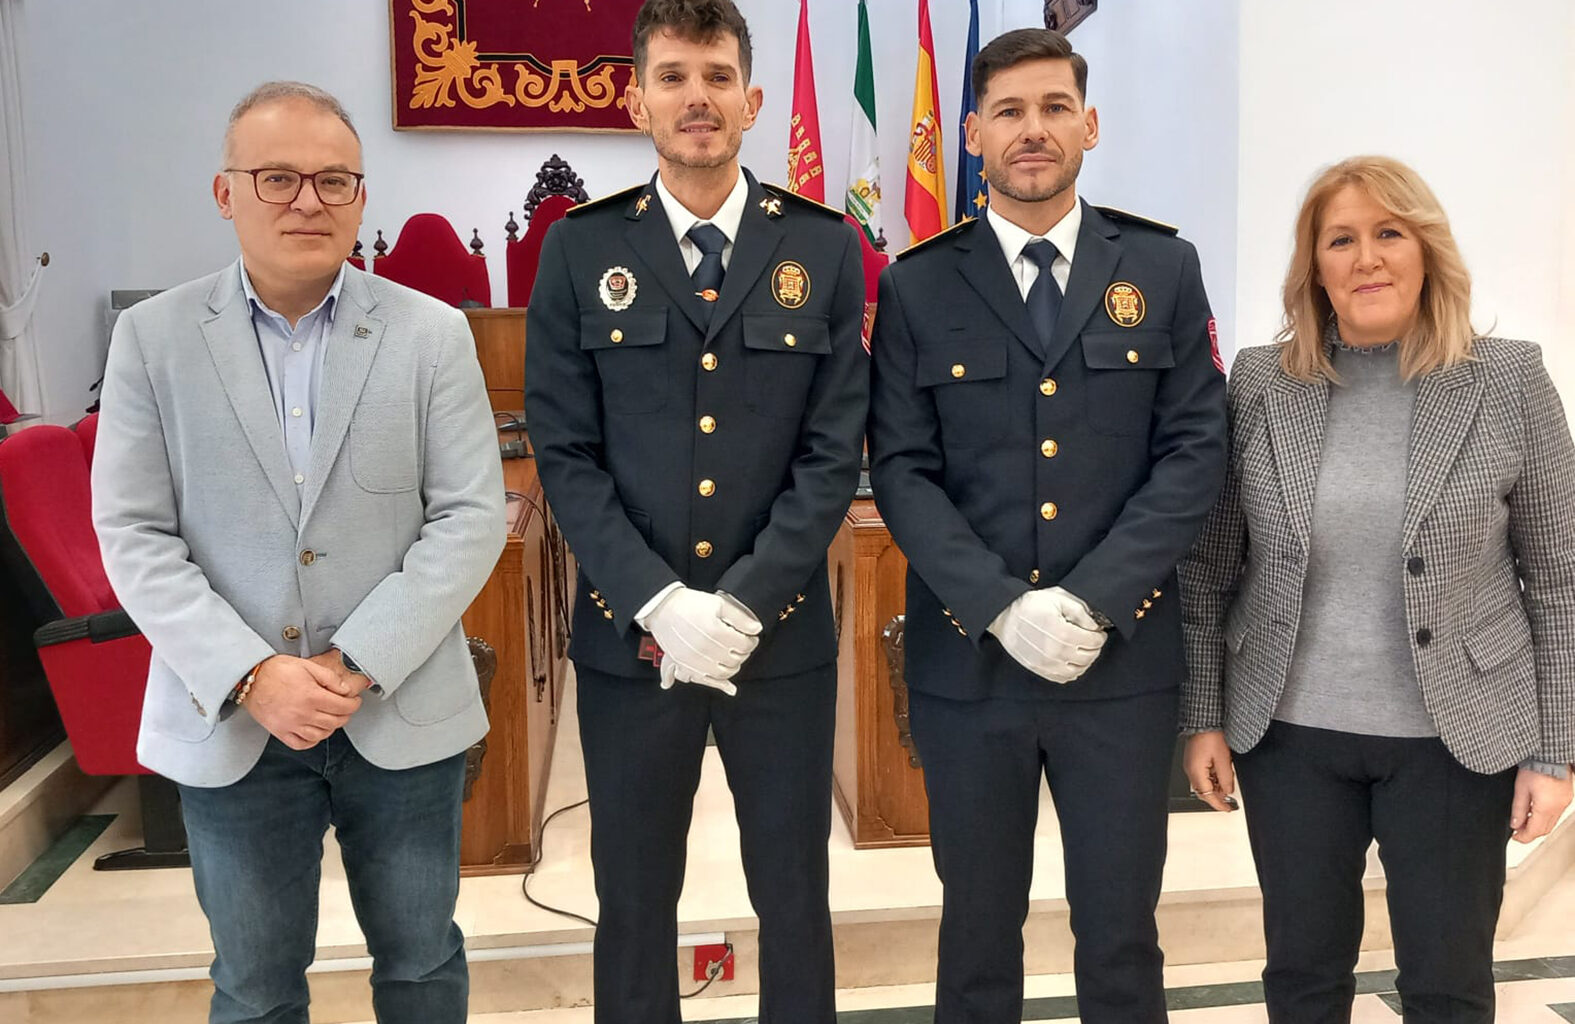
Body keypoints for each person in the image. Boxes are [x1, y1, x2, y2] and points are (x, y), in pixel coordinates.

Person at [92, 81, 505, 1024]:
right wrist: (253, 676)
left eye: (333, 180)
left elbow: (471, 516)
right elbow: (134, 535)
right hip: (234, 723)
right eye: (277, 179)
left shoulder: (432, 335)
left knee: (421, 965)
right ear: (224, 192)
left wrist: (351, 662)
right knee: (255, 987)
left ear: (362, 196)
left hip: (396, 711)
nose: (307, 202)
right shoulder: (151, 341)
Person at [867, 27, 1227, 1024]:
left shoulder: (1160, 267)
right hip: (967, 666)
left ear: (1090, 125)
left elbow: (1194, 450)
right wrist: (998, 606)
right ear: (973, 133)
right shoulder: (916, 283)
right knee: (976, 932)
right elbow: (900, 467)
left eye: (1055, 107)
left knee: (1120, 929)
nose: (1035, 130)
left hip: (1120, 668)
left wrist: (1094, 597)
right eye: (1013, 112)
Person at [523, 1, 868, 1020]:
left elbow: (829, 449)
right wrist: (656, 600)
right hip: (633, 645)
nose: (697, 99)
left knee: (795, 893)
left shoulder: (825, 248)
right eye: (673, 77)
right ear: (638, 100)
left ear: (753, 100)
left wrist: (746, 601)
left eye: (717, 77)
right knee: (633, 899)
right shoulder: (581, 251)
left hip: (784, 641)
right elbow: (566, 451)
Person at [1179, 154, 1575, 1023]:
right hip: (1288, 737)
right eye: (1341, 239)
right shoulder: (1257, 382)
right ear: (1312, 266)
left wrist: (1554, 753)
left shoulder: (1507, 379)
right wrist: (1201, 714)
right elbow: (1208, 568)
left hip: (1452, 742)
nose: (1366, 258)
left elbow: (1557, 579)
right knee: (1302, 978)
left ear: (1425, 250)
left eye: (1388, 233)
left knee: (1444, 985)